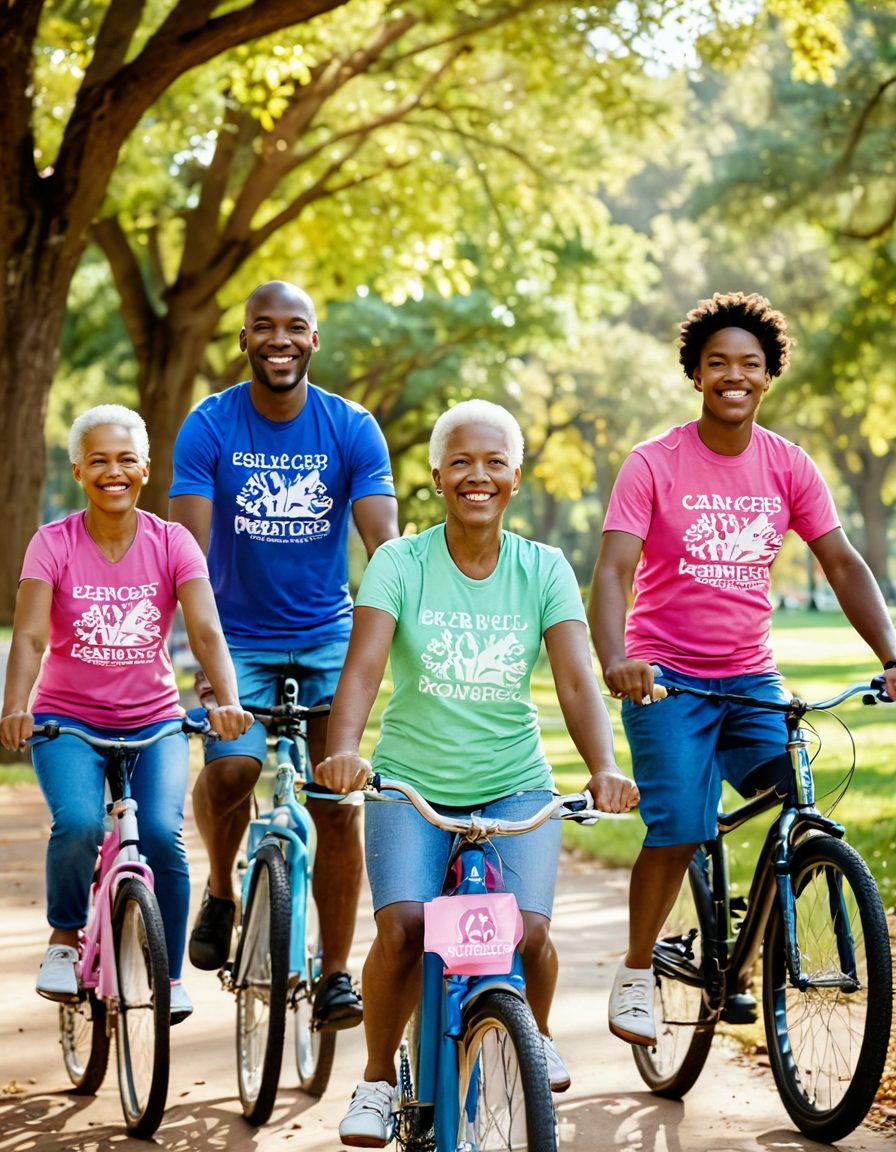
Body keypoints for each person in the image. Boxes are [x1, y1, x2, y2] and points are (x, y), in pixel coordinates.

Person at [315, 399, 639, 1147]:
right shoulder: (399, 562)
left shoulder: (543, 567)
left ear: (516, 477)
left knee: (526, 932)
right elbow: (362, 670)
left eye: (494, 462)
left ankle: (534, 1036)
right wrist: (345, 749)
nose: (478, 475)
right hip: (414, 782)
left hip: (513, 778)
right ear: (435, 476)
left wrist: (604, 766)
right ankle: (371, 1081)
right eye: (460, 461)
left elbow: (576, 681)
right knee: (401, 927)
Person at [589, 291, 896, 1047]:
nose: (733, 375)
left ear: (768, 376)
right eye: (717, 363)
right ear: (696, 375)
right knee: (683, 823)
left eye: (749, 365)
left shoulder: (789, 465)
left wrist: (893, 655)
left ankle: (743, 955)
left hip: (750, 675)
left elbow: (843, 563)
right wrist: (616, 660)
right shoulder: (653, 463)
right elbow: (611, 573)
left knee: (796, 792)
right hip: (666, 678)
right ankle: (635, 970)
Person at [168, 280, 399, 1028]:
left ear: (314, 341)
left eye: (294, 326)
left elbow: (385, 551)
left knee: (336, 804)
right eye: (262, 326)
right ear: (243, 339)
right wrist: (202, 655)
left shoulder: (352, 427)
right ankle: (222, 888)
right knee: (233, 766)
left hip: (329, 635)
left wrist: (403, 631)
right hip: (237, 638)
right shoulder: (209, 425)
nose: (279, 339)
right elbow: (187, 557)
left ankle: (334, 974)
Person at [0, 405, 252, 1021]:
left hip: (155, 721)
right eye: (99, 461)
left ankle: (166, 978)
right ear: (79, 470)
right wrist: (15, 706)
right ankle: (64, 939)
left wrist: (227, 701)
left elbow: (207, 630)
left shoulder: (172, 542)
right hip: (68, 723)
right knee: (82, 823)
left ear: (143, 470)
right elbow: (31, 637)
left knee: (163, 836)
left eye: (125, 460)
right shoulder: (52, 543)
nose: (113, 471)